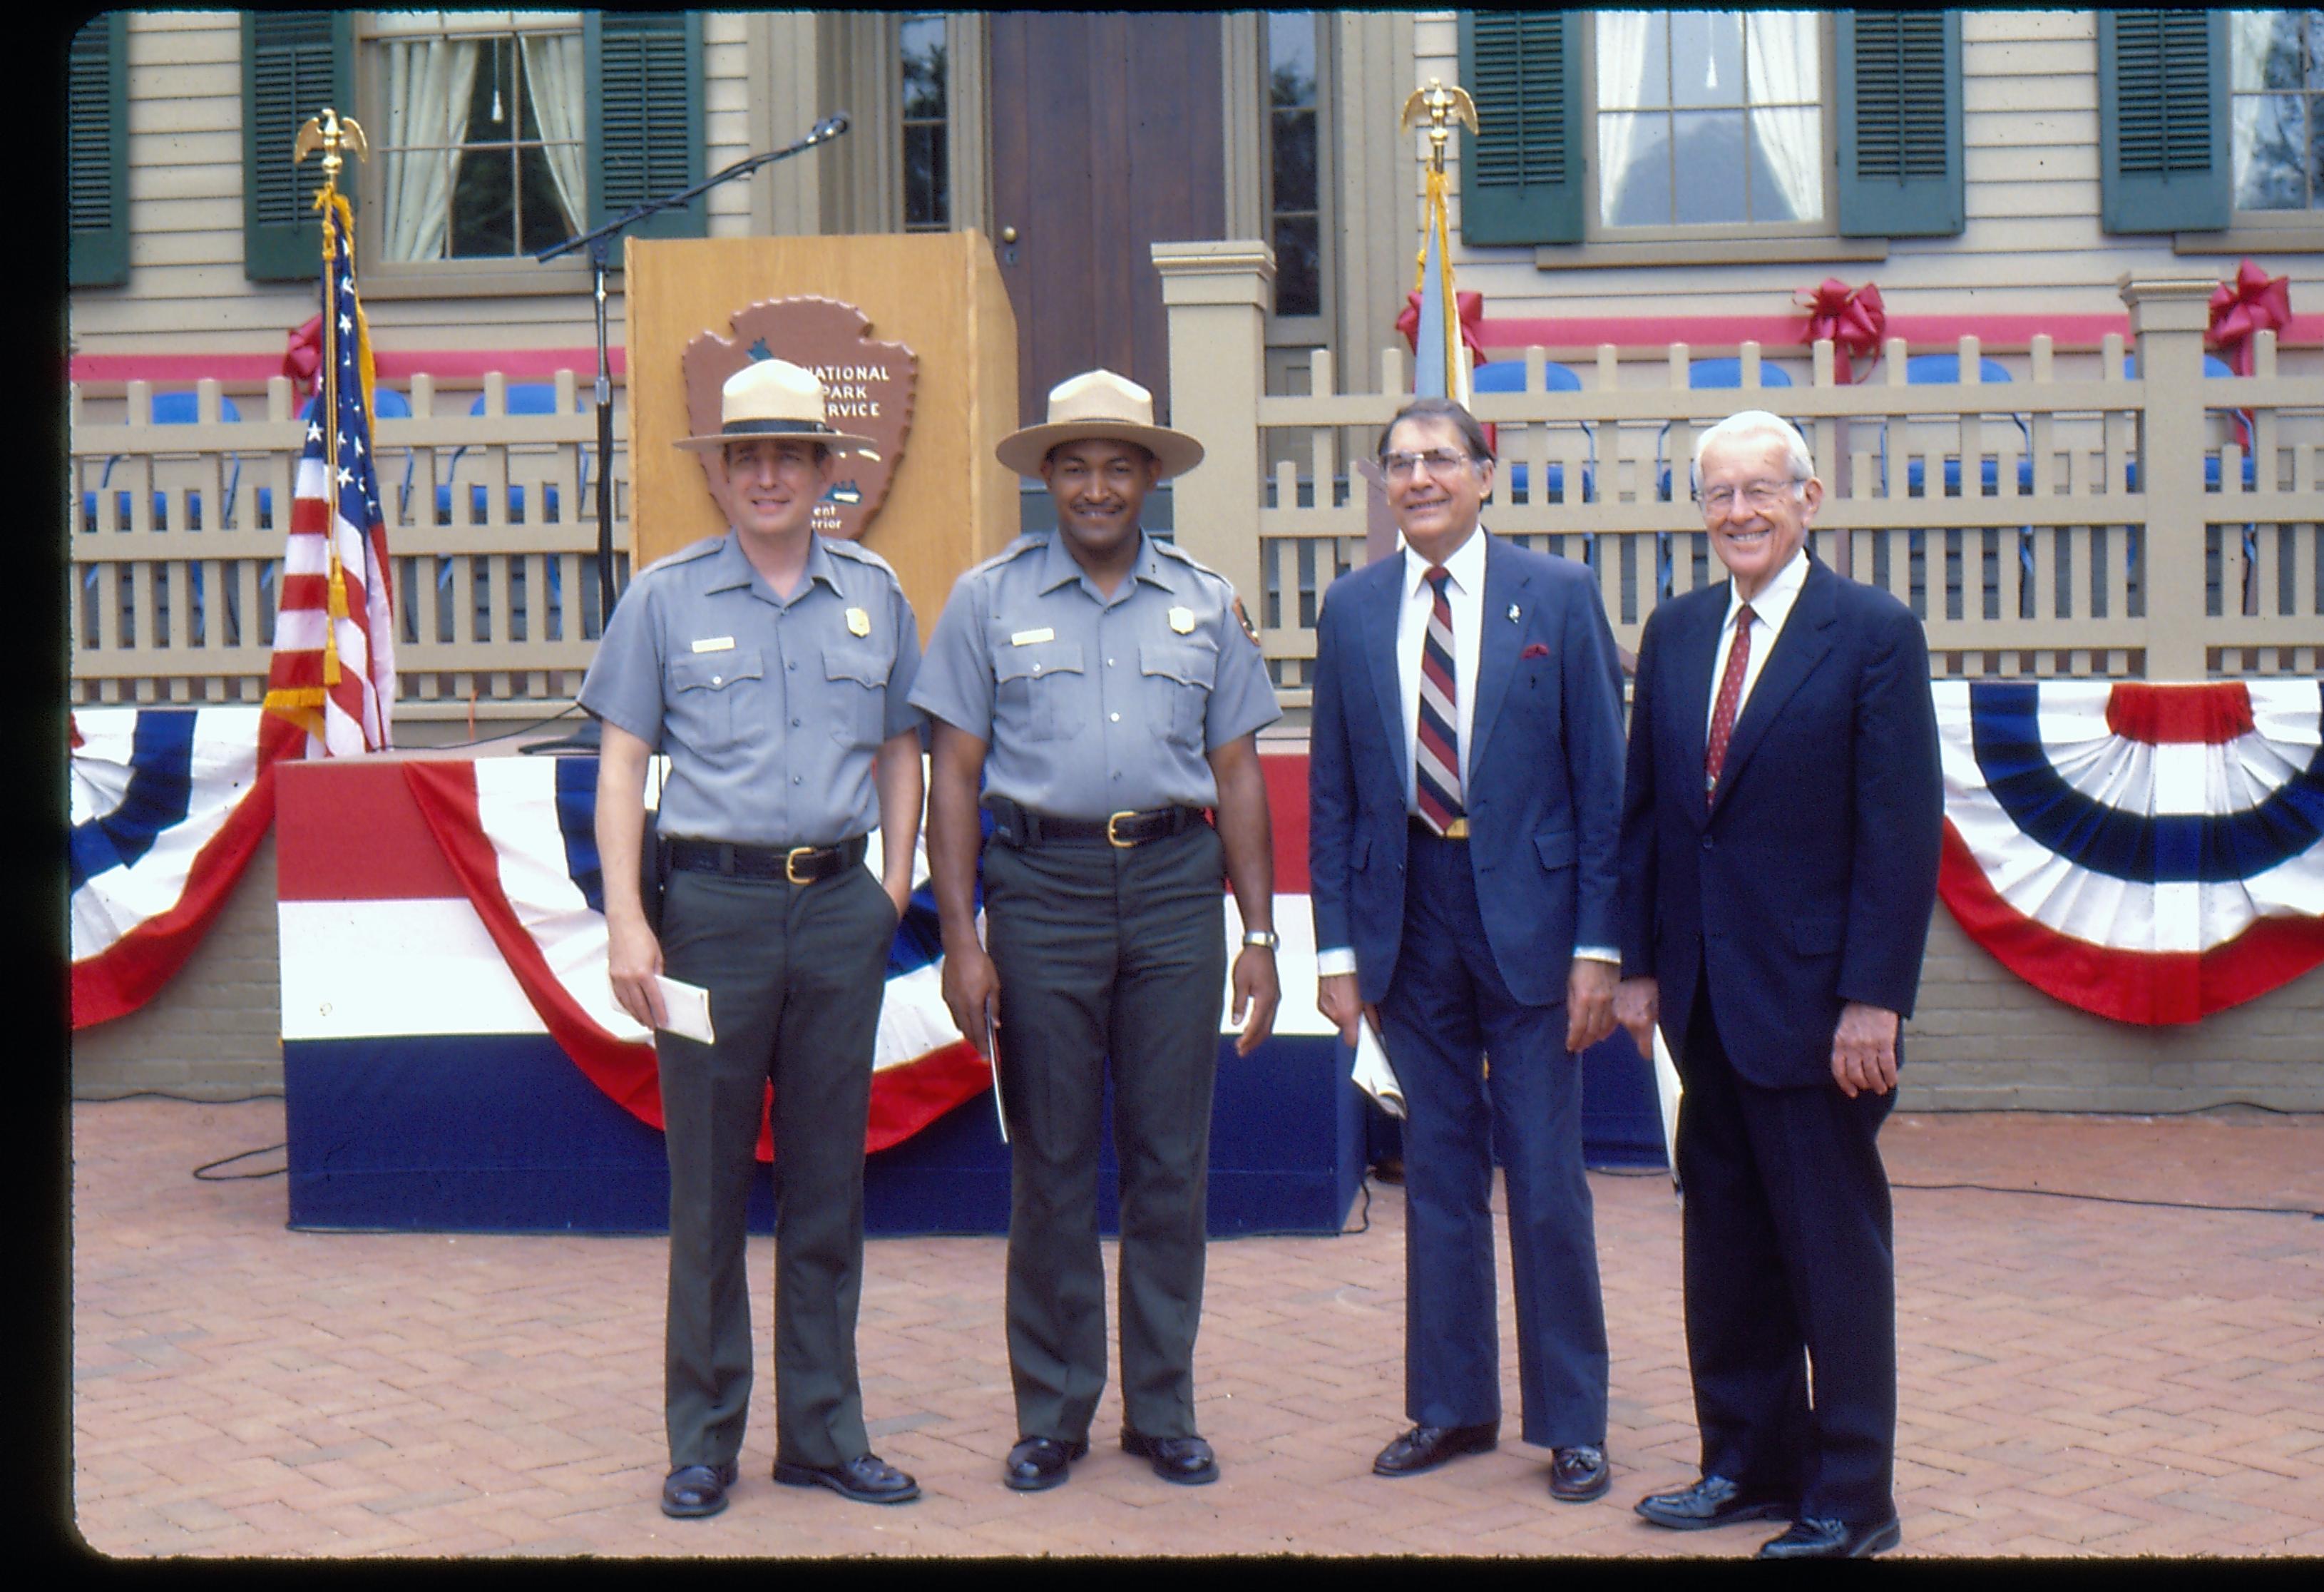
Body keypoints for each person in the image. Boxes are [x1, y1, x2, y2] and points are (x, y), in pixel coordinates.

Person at [912, 369, 1282, 1493]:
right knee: (1054, 1167)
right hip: (1041, 894)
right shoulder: (987, 600)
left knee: (1172, 1162)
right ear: (1046, 481)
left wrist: (1259, 933)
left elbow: (1238, 772)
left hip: (1176, 889)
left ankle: (1162, 1406)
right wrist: (963, 937)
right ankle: (1056, 1410)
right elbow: (954, 776)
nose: (1097, 486)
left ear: (1151, 479)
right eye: (1074, 466)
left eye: (1119, 465)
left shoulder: (1206, 600)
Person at [583, 357, 927, 1520]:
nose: (769, 475)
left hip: (837, 908)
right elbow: (622, 764)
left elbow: (899, 752)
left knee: (830, 1181)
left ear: (829, 472)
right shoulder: (666, 598)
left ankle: (826, 1434)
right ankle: (704, 1441)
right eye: (747, 457)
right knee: (710, 1191)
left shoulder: (877, 593)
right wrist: (631, 920)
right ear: (721, 476)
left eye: (791, 455)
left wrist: (889, 887)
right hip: (712, 914)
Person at [1615, 409, 1941, 1559]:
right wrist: (1641, 964)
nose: (1741, 512)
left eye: (1764, 489)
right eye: (1719, 493)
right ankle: (1745, 1462)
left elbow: (1901, 836)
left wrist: (1873, 1000)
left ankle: (1855, 1497)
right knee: (1730, 1246)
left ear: (1811, 499)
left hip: (1819, 1012)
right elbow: (1650, 818)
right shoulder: (1678, 630)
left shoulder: (1872, 634)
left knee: (1831, 1254)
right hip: (1705, 1002)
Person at [1308, 396, 1628, 1504]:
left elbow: (1604, 785)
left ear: (1487, 475)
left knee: (1544, 1177)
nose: (1419, 478)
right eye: (1399, 463)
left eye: (1441, 459)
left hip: (1535, 920)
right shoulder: (1350, 609)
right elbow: (1339, 793)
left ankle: (1572, 1422)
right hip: (1410, 910)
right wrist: (1336, 951)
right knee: (1439, 1176)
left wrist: (1599, 943)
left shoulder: (1559, 596)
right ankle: (1451, 1407)